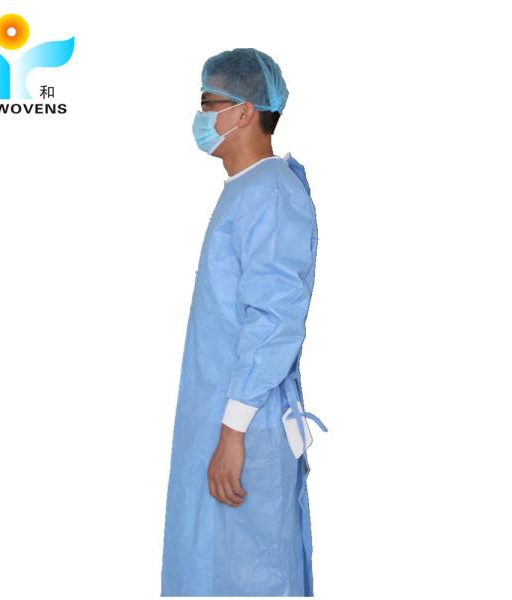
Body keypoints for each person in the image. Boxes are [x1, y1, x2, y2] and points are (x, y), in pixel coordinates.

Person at [160, 48, 327, 597]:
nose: (202, 116)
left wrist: (233, 432)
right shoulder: (246, 192)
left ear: (245, 111)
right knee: (208, 568)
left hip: (246, 430)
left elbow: (275, 319)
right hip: (222, 421)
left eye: (210, 103)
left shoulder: (272, 193)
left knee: (250, 577)